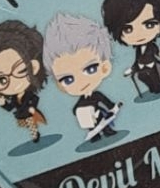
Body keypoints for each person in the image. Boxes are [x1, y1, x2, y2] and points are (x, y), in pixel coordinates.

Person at [43, 14, 121, 142]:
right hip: (89, 118)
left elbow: (106, 102)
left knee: (102, 122)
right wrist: (80, 112)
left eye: (90, 69)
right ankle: (95, 136)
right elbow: (75, 109)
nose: (81, 82)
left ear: (105, 68)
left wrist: (113, 108)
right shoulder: (82, 101)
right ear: (60, 85)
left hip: (99, 115)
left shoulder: (97, 95)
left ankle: (108, 131)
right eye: (68, 79)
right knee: (91, 126)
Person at [0, 21, 48, 143]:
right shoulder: (14, 98)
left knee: (32, 124)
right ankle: (35, 136)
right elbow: (10, 108)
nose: (14, 82)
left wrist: (31, 108)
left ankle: (35, 136)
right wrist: (3, 104)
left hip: (28, 113)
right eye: (1, 80)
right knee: (29, 125)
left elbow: (35, 99)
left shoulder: (29, 95)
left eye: (21, 70)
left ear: (34, 66)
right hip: (22, 115)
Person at [102, 0, 160, 94]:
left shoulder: (151, 46)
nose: (139, 34)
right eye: (127, 29)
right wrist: (133, 68)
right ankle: (154, 90)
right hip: (142, 68)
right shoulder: (139, 49)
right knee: (142, 76)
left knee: (153, 77)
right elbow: (137, 59)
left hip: (151, 66)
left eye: (149, 25)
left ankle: (158, 89)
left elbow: (157, 52)